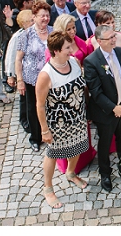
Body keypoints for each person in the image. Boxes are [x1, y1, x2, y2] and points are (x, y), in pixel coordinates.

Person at [35, 30, 90, 209]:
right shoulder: (46, 75)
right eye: (67, 47)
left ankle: (71, 173)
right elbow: (40, 105)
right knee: (53, 154)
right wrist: (44, 129)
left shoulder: (74, 62)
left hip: (78, 117)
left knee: (78, 146)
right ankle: (48, 188)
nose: (71, 50)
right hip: (58, 124)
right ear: (57, 50)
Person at [83, 24, 121, 193]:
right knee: (104, 144)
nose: (114, 40)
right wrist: (114, 108)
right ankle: (105, 172)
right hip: (105, 112)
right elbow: (95, 92)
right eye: (110, 38)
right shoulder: (91, 61)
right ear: (99, 41)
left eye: (114, 36)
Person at [15, 1, 52, 150]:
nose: (45, 19)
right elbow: (18, 59)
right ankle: (35, 137)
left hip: (50, 78)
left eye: (47, 15)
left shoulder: (53, 31)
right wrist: (19, 80)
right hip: (32, 78)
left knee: (50, 106)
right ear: (34, 17)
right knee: (33, 107)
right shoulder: (26, 34)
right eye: (42, 16)